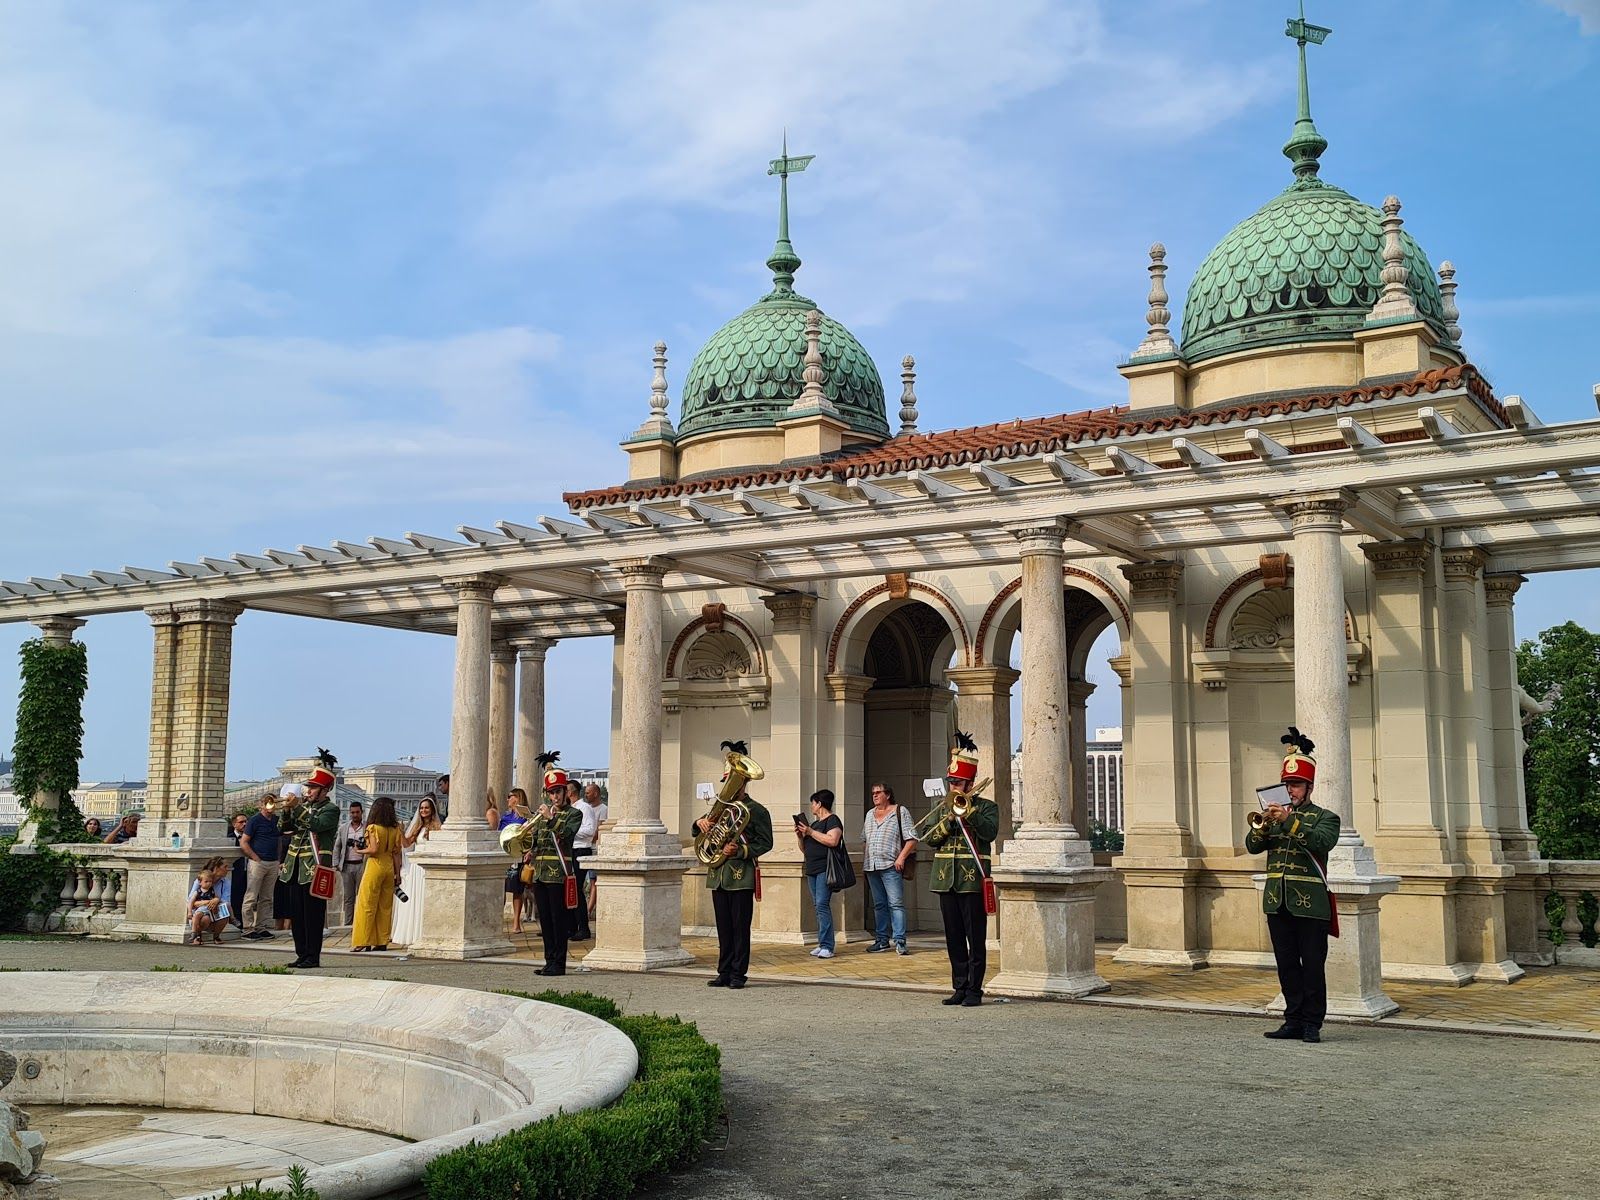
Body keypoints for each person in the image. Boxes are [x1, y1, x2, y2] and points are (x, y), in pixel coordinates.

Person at [1248, 727, 1340, 1045]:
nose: (1291, 791)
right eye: (1287, 785)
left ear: (1309, 786)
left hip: (1311, 903)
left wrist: (1289, 821)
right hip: (1277, 901)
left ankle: (1313, 1022)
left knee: (1313, 966)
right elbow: (1252, 846)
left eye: (1297, 784)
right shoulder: (1274, 817)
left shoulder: (1325, 818)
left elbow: (1321, 842)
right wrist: (1263, 825)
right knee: (1287, 966)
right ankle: (1293, 1019)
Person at [925, 731, 999, 1008]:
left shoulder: (987, 807)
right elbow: (929, 838)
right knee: (954, 937)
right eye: (951, 782)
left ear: (969, 783)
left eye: (957, 782)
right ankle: (959, 986)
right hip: (946, 880)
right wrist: (947, 820)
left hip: (972, 879)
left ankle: (975, 990)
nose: (953, 787)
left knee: (975, 938)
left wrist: (968, 813)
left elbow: (990, 833)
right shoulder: (942, 808)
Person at [697, 739, 773, 990]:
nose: (727, 788)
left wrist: (740, 849)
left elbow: (766, 842)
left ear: (743, 782)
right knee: (724, 929)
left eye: (733, 782)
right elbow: (701, 834)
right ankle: (724, 971)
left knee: (740, 929)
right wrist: (700, 824)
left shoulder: (757, 811)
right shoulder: (720, 809)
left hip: (740, 875)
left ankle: (739, 974)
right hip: (718, 874)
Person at [278, 759, 340, 969]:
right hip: (294, 867)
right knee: (297, 914)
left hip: (314, 867)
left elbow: (316, 825)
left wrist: (297, 809)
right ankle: (301, 953)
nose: (309, 791)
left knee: (313, 915)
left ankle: (313, 956)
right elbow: (284, 828)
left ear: (325, 790)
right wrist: (286, 809)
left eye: (313, 788)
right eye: (309, 787)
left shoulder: (331, 809)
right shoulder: (302, 807)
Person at [527, 752, 582, 976]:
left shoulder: (573, 814)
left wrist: (550, 818)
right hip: (540, 873)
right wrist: (529, 848)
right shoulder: (542, 815)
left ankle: (559, 963)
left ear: (565, 792)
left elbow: (566, 835)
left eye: (558, 792)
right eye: (551, 793)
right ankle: (549, 960)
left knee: (559, 921)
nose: (555, 797)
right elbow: (538, 839)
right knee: (545, 920)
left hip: (558, 873)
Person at [862, 781, 918, 955]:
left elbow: (912, 838)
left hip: (891, 864)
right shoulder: (870, 814)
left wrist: (901, 857)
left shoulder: (900, 811)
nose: (875, 796)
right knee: (879, 905)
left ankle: (900, 941)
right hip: (872, 865)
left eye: (878, 792)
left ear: (888, 794)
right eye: (873, 793)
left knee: (896, 903)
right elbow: (865, 839)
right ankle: (881, 940)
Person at [351, 796, 403, 952]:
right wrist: (397, 874)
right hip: (389, 867)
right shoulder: (395, 829)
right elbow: (396, 853)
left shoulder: (373, 828)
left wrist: (358, 850)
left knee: (366, 904)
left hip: (375, 866)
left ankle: (363, 941)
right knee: (385, 906)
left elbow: (373, 850)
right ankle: (381, 941)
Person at [796, 789, 843, 958]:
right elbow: (805, 849)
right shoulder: (814, 825)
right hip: (812, 869)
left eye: (813, 803)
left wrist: (810, 832)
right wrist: (801, 836)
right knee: (818, 906)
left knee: (822, 905)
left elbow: (832, 840)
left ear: (819, 803)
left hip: (825, 868)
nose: (811, 806)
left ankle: (828, 946)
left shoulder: (832, 820)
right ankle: (822, 942)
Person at [392, 794, 442, 947]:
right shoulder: (417, 826)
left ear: (432, 810)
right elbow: (407, 844)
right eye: (421, 808)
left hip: (427, 865)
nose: (423, 810)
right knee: (415, 898)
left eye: (426, 808)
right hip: (416, 867)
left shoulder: (438, 827)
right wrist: (401, 832)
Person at [239, 797, 282, 940]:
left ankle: (262, 926)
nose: (270, 806)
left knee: (267, 897)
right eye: (268, 803)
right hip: (259, 862)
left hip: (273, 862)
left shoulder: (276, 820)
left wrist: (278, 859)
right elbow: (244, 842)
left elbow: (280, 838)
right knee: (251, 896)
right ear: (261, 805)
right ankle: (248, 928)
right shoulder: (254, 820)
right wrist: (255, 858)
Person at [568, 779, 599, 941]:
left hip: (580, 849)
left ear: (570, 792)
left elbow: (589, 831)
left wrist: (569, 831)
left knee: (577, 889)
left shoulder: (584, 808)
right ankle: (570, 926)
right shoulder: (568, 809)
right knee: (568, 889)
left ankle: (583, 927)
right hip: (569, 849)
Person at [501, 787, 532, 935]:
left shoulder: (526, 818)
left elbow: (531, 837)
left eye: (510, 796)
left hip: (519, 856)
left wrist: (529, 851)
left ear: (517, 798)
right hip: (505, 855)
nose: (507, 799)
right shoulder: (505, 817)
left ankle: (516, 922)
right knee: (501, 889)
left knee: (517, 890)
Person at [337, 799, 366, 927]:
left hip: (362, 865)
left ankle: (360, 924)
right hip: (347, 865)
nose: (355, 815)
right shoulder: (343, 828)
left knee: (362, 896)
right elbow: (337, 846)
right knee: (348, 898)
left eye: (357, 812)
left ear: (362, 813)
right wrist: (335, 864)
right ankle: (348, 924)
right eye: (352, 812)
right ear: (349, 813)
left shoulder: (367, 828)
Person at [583, 782, 608, 927]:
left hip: (594, 848)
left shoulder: (603, 809)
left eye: (588, 792)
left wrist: (588, 838)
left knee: (593, 880)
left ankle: (589, 909)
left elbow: (599, 829)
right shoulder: (586, 809)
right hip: (585, 845)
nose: (586, 795)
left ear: (596, 793)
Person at [186, 865, 225, 945]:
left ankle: (212, 936)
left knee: (205, 918)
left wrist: (216, 900)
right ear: (200, 882)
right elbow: (191, 901)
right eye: (206, 881)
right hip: (200, 909)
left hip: (209, 911)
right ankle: (194, 933)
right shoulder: (198, 891)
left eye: (210, 882)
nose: (209, 883)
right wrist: (189, 912)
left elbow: (217, 898)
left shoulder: (212, 891)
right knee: (196, 916)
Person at [227, 813, 249, 931]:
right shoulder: (229, 838)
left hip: (248, 872)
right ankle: (235, 921)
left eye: (246, 821)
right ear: (234, 824)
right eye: (241, 822)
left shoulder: (250, 837)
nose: (244, 824)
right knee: (235, 897)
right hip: (235, 873)